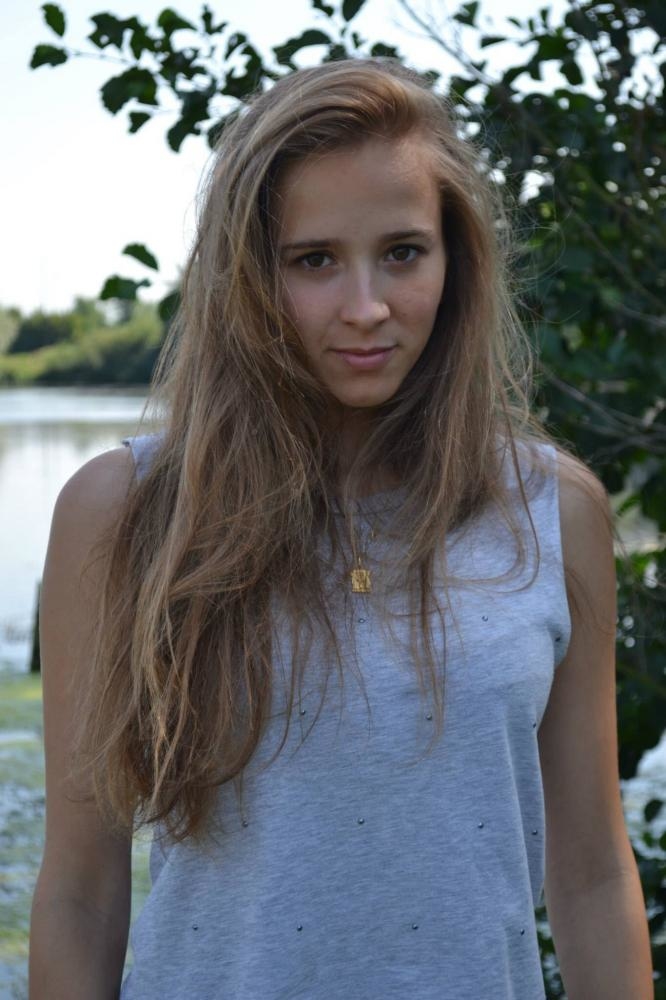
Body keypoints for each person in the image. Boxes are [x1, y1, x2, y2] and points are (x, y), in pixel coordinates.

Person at [29, 58, 653, 999]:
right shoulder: (123, 510)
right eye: (313, 260)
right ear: (248, 276)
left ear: (455, 262)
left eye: (403, 252)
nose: (366, 308)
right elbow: (81, 892)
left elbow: (594, 872)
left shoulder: (551, 512)